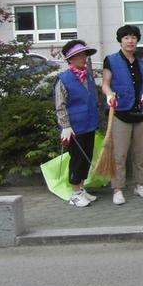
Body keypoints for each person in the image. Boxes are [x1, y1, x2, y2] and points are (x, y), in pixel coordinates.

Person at [101, 24, 143, 205]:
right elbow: (105, 83)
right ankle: (118, 189)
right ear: (120, 41)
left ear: (137, 40)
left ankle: (140, 185)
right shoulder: (111, 60)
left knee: (140, 153)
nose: (130, 41)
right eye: (126, 38)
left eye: (133, 37)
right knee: (119, 155)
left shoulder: (141, 62)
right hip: (120, 113)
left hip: (139, 113)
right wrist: (108, 94)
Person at [54, 39, 100, 208]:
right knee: (77, 159)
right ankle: (74, 193)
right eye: (79, 56)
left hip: (89, 123)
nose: (83, 58)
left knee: (86, 157)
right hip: (74, 127)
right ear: (70, 59)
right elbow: (60, 105)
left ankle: (81, 189)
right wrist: (65, 125)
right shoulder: (63, 79)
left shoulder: (88, 75)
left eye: (84, 55)